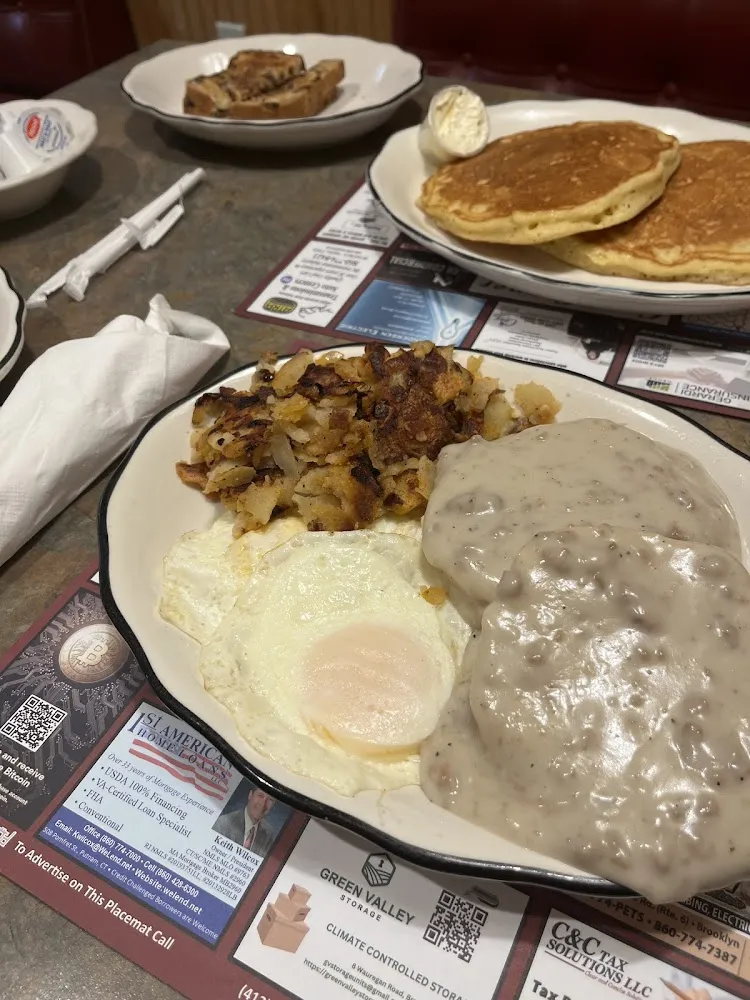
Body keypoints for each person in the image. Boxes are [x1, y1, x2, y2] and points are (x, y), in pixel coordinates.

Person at [213, 784, 277, 857]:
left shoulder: (269, 833)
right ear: (250, 795)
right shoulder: (223, 823)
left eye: (270, 800)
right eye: (260, 795)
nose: (263, 804)